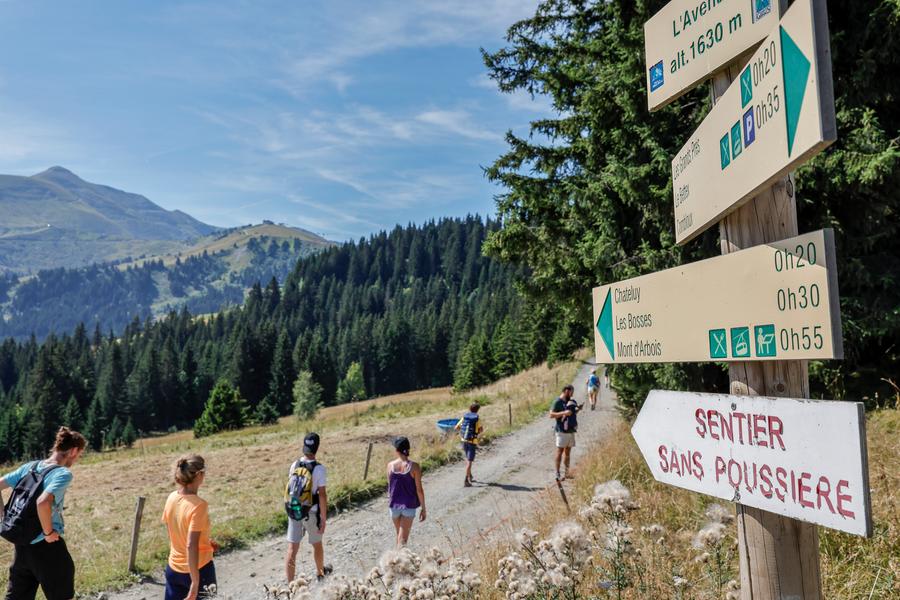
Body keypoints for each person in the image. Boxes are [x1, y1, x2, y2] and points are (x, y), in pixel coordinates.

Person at [0, 427, 86, 600]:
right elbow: (43, 502)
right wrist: (48, 532)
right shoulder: (62, 473)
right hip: (47, 547)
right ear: (73, 451)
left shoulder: (30, 467)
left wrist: (3, 517)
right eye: (79, 454)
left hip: (22, 545)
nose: (77, 458)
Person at [162, 454, 219, 600]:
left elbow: (174, 533)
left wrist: (205, 542)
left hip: (173, 569)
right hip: (198, 570)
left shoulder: (171, 497)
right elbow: (190, 544)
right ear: (199, 475)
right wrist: (195, 581)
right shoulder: (199, 506)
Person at [284, 433, 332, 583]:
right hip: (312, 513)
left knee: (292, 549)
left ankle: (291, 585)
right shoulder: (319, 469)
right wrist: (323, 518)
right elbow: (322, 495)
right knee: (317, 545)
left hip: (294, 510)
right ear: (317, 448)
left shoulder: (294, 465)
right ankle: (320, 574)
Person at [386, 437, 426, 547]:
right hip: (408, 506)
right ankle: (398, 557)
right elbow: (419, 490)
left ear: (396, 450)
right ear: (408, 449)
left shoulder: (390, 466)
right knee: (402, 541)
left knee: (399, 537)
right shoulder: (415, 467)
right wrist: (423, 508)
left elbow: (390, 487)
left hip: (394, 507)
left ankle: (395, 556)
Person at [549, 385, 581, 481]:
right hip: (561, 431)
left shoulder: (569, 401)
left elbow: (570, 414)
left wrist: (577, 410)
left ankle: (567, 473)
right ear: (566, 391)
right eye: (571, 392)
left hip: (571, 430)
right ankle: (557, 473)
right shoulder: (557, 401)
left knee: (568, 453)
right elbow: (551, 414)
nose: (572, 394)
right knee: (560, 452)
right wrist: (564, 413)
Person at [454, 403, 483, 487]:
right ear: (477, 410)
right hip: (472, 442)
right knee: (469, 461)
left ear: (470, 409)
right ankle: (466, 480)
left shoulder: (465, 417)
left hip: (463, 440)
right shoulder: (477, 418)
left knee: (467, 459)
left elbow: (456, 427)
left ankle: (470, 475)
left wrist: (463, 433)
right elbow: (481, 430)